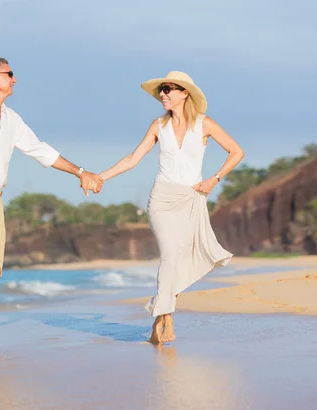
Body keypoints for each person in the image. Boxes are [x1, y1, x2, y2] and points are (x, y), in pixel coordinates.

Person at [0, 57, 102, 362]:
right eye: (9, 74)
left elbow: (41, 151)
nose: (14, 79)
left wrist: (81, 172)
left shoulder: (10, 118)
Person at [97, 71, 244, 344]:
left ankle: (160, 317)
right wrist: (100, 177)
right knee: (169, 256)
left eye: (168, 89)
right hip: (162, 199)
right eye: (161, 90)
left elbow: (236, 152)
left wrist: (215, 179)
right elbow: (133, 159)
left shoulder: (204, 124)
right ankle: (165, 317)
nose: (163, 94)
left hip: (191, 199)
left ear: (184, 93)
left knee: (176, 260)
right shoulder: (158, 126)